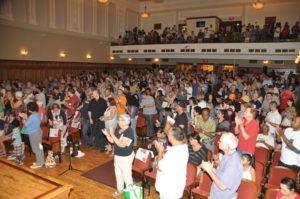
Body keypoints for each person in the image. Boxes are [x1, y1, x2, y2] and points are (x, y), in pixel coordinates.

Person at [201, 132, 243, 199]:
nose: (218, 142)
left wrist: (209, 171)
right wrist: (210, 168)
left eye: (220, 141)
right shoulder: (227, 155)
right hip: (215, 195)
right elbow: (220, 174)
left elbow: (223, 187)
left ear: (227, 145)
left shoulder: (233, 163)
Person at [102, 114, 134, 197]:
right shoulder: (119, 130)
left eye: (119, 120)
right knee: (118, 174)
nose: (117, 121)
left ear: (123, 121)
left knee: (127, 176)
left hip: (125, 157)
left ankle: (130, 194)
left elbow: (122, 145)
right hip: (118, 156)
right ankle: (120, 190)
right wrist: (107, 135)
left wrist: (112, 134)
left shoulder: (129, 131)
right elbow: (112, 141)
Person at [155, 127, 189, 199]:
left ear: (171, 137)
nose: (166, 135)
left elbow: (160, 167)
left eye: (168, 134)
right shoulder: (183, 146)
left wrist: (160, 152)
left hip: (169, 188)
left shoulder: (174, 152)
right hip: (176, 185)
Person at [19, 102, 44, 169]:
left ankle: (39, 163)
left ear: (29, 110)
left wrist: (23, 118)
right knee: (39, 148)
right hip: (38, 132)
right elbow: (31, 122)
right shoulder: (37, 114)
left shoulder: (32, 116)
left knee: (36, 149)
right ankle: (41, 161)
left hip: (34, 134)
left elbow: (26, 125)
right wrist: (25, 117)